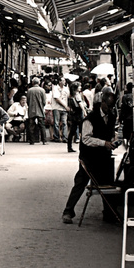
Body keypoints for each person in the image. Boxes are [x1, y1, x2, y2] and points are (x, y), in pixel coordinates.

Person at [62, 88, 122, 225]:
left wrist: (113, 142)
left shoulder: (111, 116)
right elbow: (86, 139)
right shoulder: (90, 119)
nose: (110, 109)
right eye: (108, 106)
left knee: (108, 185)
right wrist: (103, 143)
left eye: (112, 107)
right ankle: (68, 211)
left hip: (104, 156)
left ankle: (109, 213)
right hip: (89, 157)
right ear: (102, 103)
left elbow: (111, 133)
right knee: (80, 183)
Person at [24, 76, 47, 144]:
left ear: (32, 83)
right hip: (40, 110)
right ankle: (44, 140)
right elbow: (44, 101)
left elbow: (27, 101)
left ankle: (32, 141)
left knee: (31, 126)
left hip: (32, 110)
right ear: (39, 83)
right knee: (42, 125)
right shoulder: (42, 90)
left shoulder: (29, 90)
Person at [48, 80, 69, 145]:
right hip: (57, 108)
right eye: (62, 80)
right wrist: (65, 106)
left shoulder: (66, 89)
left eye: (64, 81)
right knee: (56, 123)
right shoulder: (55, 88)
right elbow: (57, 99)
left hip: (64, 109)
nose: (64, 82)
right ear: (59, 82)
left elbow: (68, 97)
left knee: (64, 123)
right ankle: (57, 137)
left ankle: (65, 137)